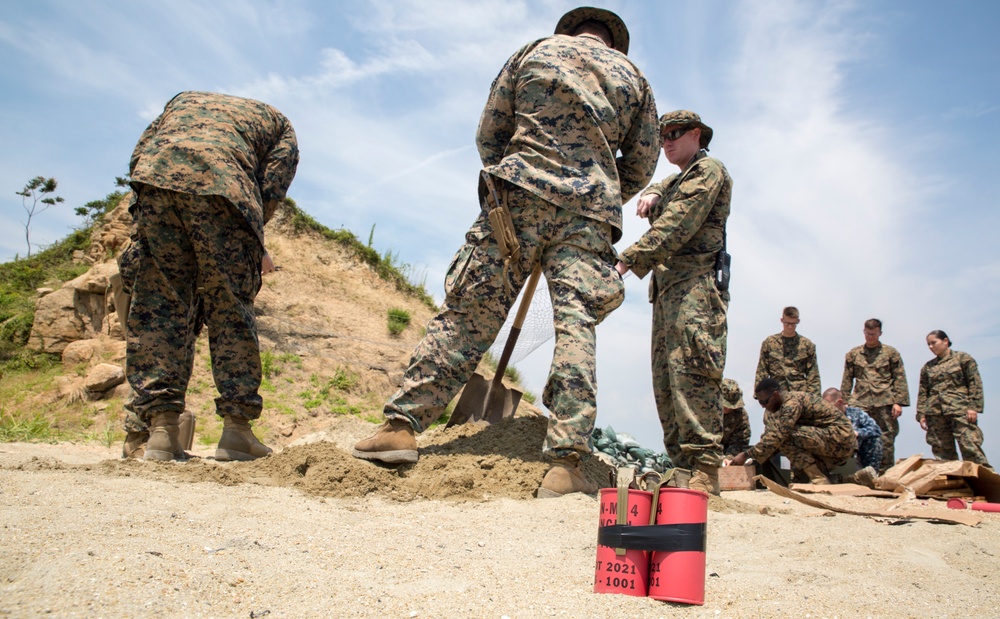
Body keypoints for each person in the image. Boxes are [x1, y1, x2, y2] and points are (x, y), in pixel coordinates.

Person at [352, 7, 660, 498]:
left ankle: (402, 428)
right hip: (589, 215)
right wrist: (593, 190)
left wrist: (517, 178)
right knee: (575, 325)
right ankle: (566, 462)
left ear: (572, 32)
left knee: (469, 311)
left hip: (517, 197)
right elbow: (642, 164)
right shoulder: (635, 79)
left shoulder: (535, 50)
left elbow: (489, 132)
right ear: (613, 44)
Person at [124, 91, 298, 462]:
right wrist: (254, 239)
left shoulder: (180, 101)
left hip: (156, 181)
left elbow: (141, 154)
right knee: (230, 310)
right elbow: (270, 188)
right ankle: (236, 432)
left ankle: (161, 431)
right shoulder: (281, 126)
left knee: (160, 305)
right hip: (225, 191)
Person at [613, 110, 732, 495]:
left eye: (676, 133)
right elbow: (670, 187)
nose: (667, 141)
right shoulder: (680, 178)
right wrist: (654, 190)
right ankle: (682, 469)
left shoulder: (709, 170)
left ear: (697, 135)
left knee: (694, 377)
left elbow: (677, 224)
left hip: (696, 291)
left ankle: (704, 471)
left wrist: (628, 260)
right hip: (667, 292)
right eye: (662, 135)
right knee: (665, 382)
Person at [731, 379, 856, 485]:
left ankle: (819, 480)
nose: (763, 406)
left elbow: (777, 436)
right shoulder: (777, 409)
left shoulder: (792, 403)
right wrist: (751, 460)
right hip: (823, 441)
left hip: (840, 438)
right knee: (800, 481)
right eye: (759, 402)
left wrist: (746, 455)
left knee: (784, 437)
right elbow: (768, 438)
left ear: (775, 395)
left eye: (764, 401)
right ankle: (853, 479)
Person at [841, 318, 909, 473]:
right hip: (860, 401)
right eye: (867, 333)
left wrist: (899, 402)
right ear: (863, 332)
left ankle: (885, 474)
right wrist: (844, 402)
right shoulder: (854, 354)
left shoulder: (891, 353)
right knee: (853, 435)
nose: (870, 336)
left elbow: (899, 378)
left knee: (886, 438)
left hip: (884, 402)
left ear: (880, 333)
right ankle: (853, 473)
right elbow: (847, 379)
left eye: (873, 334)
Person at [916, 330, 991, 467]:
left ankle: (986, 483)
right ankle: (953, 484)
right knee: (942, 452)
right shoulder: (928, 367)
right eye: (928, 344)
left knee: (971, 448)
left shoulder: (963, 359)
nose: (931, 347)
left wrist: (974, 407)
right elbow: (923, 392)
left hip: (960, 411)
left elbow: (975, 384)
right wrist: (921, 414)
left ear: (945, 341)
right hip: (935, 413)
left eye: (934, 343)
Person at [822, 387, 881, 486]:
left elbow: (876, 430)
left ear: (840, 402)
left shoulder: (856, 414)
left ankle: (870, 474)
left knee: (875, 440)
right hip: (833, 457)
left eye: (829, 404)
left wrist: (857, 433)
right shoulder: (823, 417)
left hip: (855, 456)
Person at [756, 306, 821, 396]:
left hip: (799, 395)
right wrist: (760, 395)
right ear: (782, 320)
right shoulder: (769, 343)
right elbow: (762, 370)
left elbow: (813, 375)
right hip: (775, 395)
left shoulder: (807, 345)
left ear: (798, 321)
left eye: (793, 324)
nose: (790, 327)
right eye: (787, 323)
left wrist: (813, 399)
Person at [721, 378, 751, 457]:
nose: (728, 408)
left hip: (727, 453)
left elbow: (739, 442)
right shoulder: (704, 410)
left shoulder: (740, 415)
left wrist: (729, 458)